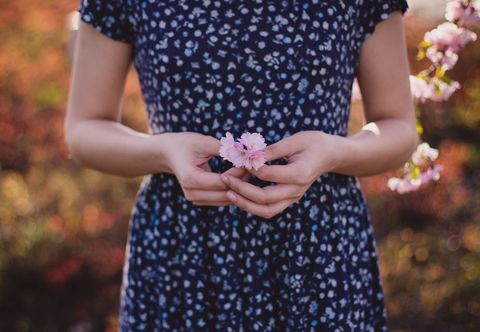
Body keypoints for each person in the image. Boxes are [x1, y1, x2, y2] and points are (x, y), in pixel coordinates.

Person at [65, 0, 417, 330]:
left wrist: (334, 152)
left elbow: (397, 127)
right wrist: (163, 151)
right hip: (182, 250)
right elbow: (84, 129)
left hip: (318, 249)